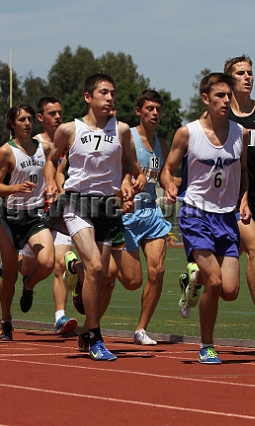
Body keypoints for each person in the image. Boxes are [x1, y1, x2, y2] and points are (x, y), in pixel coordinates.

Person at [44, 73, 143, 361]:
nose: (110, 98)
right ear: (88, 97)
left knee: (102, 276)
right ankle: (98, 338)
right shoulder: (69, 130)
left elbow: (130, 163)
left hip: (108, 207)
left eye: (113, 92)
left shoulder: (121, 130)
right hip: (78, 203)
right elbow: (52, 162)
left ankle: (87, 328)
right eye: (104, 92)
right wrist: (51, 182)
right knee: (98, 267)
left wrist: (132, 180)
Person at [160, 72, 250, 364]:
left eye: (228, 95)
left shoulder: (240, 133)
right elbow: (167, 168)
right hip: (195, 213)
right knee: (214, 282)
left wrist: (244, 198)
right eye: (220, 96)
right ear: (205, 99)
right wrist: (170, 184)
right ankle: (207, 345)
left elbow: (244, 173)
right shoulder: (188, 133)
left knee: (230, 290)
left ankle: (193, 278)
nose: (226, 101)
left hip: (226, 217)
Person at [201, 54, 255, 344]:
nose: (247, 77)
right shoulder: (221, 118)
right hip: (231, 199)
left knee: (227, 285)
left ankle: (194, 277)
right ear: (228, 79)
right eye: (240, 73)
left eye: (250, 72)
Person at [110, 89, 173, 346]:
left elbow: (165, 174)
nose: (155, 113)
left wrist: (170, 187)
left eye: (158, 109)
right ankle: (93, 269)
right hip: (127, 214)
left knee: (157, 271)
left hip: (152, 214)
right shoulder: (128, 139)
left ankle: (141, 329)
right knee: (133, 281)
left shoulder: (163, 145)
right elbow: (115, 174)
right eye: (150, 109)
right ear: (139, 111)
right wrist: (121, 194)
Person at [0, 103, 55, 341]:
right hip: (11, 217)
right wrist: (16, 187)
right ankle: (6, 320)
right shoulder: (6, 151)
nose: (27, 123)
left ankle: (29, 286)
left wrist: (53, 183)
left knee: (47, 263)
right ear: (12, 124)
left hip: (35, 215)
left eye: (29, 119)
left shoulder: (44, 148)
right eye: (22, 120)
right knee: (9, 275)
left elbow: (53, 169)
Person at [34, 96, 78, 335]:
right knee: (31, 267)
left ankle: (60, 317)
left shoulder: (68, 142)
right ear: (41, 117)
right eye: (52, 114)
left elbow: (61, 172)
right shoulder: (32, 143)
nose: (58, 117)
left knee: (61, 263)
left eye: (60, 113)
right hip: (33, 214)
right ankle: (22, 274)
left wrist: (61, 191)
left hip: (60, 212)